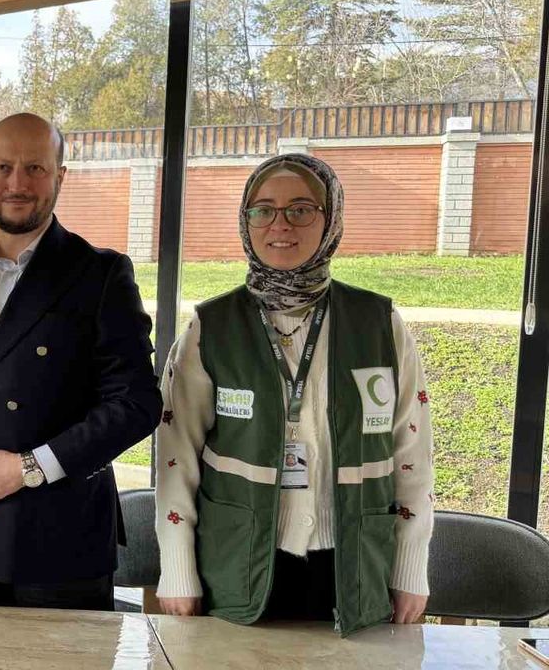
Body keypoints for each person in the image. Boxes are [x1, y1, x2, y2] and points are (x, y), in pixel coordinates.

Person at [154, 153, 434, 636]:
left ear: (331, 219)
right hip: (238, 564)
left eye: (301, 209)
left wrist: (410, 566)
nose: (279, 224)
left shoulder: (379, 324)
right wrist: (178, 569)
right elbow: (175, 455)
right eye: (262, 210)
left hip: (353, 564)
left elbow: (412, 453)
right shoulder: (212, 328)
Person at [0, 113, 161, 610]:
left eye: (35, 168)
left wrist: (30, 467)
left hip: (64, 535)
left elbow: (136, 403)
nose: (17, 183)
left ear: (60, 175)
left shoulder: (100, 273)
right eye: (2, 167)